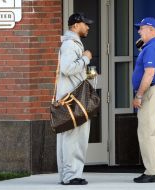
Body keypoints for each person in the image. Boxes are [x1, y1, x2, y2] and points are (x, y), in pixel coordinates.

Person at [56, 13, 93, 185]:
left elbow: (70, 70)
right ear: (76, 25)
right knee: (75, 138)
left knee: (68, 138)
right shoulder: (71, 44)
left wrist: (86, 72)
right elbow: (67, 68)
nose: (88, 27)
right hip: (73, 100)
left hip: (68, 98)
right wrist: (86, 58)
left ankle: (67, 175)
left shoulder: (69, 43)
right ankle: (72, 176)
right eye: (86, 24)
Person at [132, 17, 155, 183]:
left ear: (152, 30)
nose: (139, 31)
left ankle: (152, 171)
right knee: (154, 133)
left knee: (146, 132)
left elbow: (149, 73)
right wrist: (142, 49)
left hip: (151, 92)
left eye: (142, 28)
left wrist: (139, 95)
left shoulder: (152, 48)